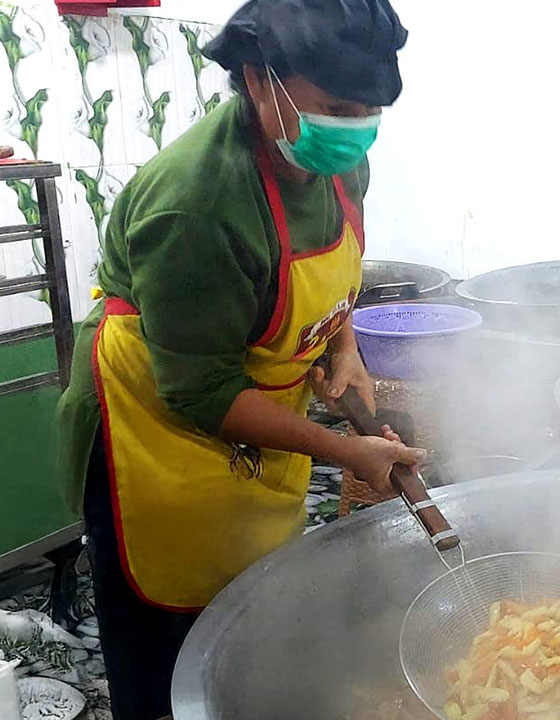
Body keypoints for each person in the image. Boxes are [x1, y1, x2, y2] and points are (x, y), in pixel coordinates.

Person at [55, 1, 416, 717]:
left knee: (252, 596)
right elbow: (202, 394)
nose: (356, 128)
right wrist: (347, 453)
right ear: (259, 80)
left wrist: (342, 345)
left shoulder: (339, 163)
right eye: (336, 106)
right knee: (166, 641)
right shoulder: (195, 205)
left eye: (371, 109)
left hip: (255, 414)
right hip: (155, 426)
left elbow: (339, 270)